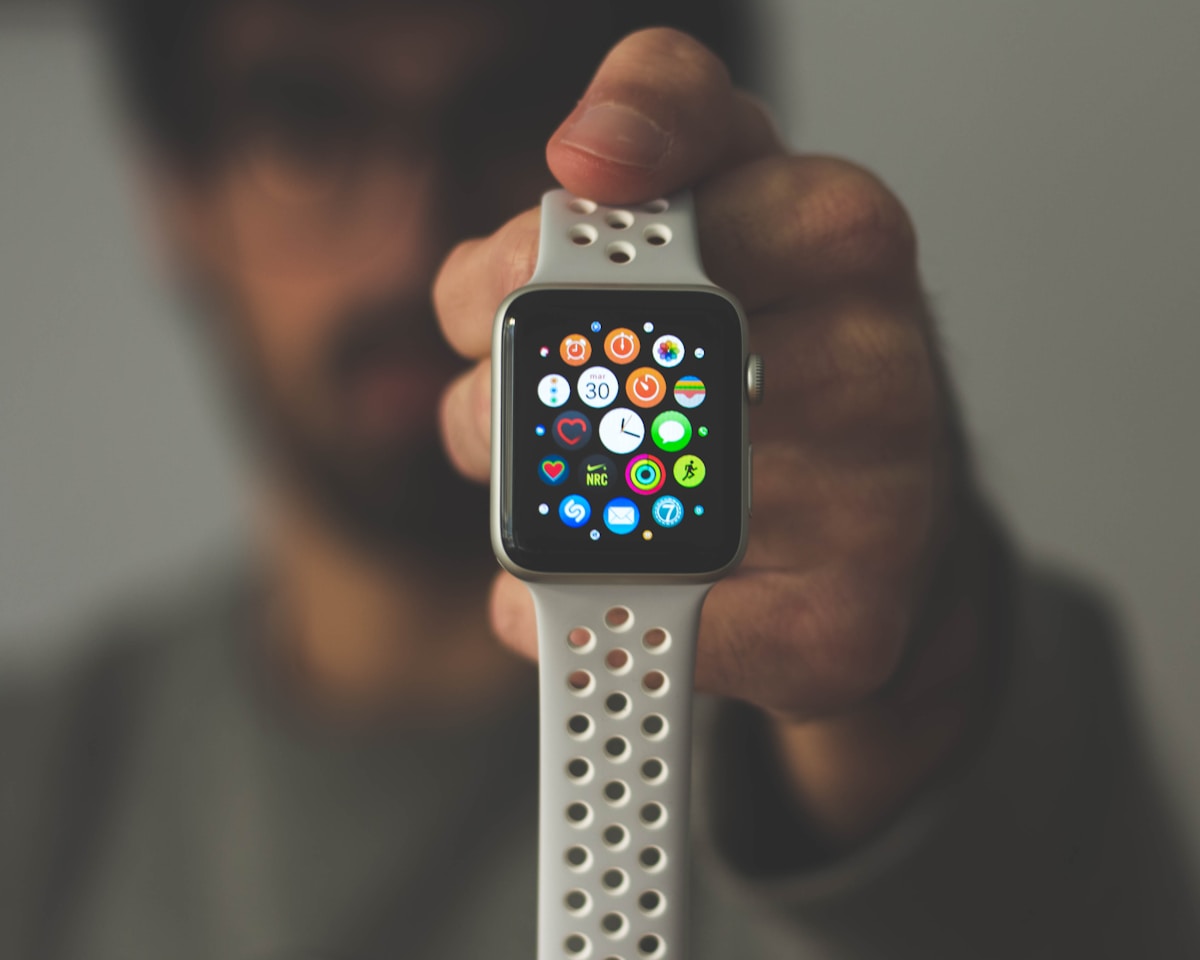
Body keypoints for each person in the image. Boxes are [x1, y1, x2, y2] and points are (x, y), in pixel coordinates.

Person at [1, 1, 1197, 957]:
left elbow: (1029, 903)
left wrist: (917, 664)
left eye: (513, 108)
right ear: (173, 195)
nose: (416, 224)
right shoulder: (36, 784)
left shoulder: (836, 736)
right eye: (308, 119)